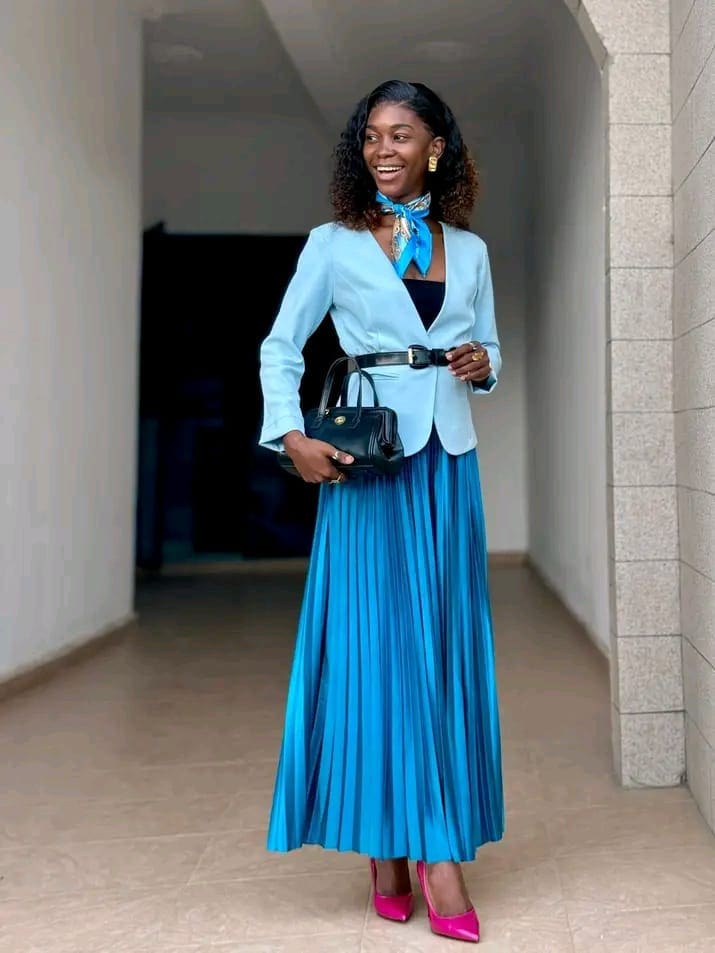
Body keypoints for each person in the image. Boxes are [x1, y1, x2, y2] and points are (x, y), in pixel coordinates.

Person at [258, 79, 504, 944]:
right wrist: (288, 434)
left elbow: (489, 346)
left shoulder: (467, 250)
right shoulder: (332, 244)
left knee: (439, 652)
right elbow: (281, 346)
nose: (382, 150)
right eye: (370, 136)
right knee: (379, 652)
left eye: (401, 135)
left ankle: (411, 844)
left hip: (446, 466)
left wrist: (481, 363)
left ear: (435, 147)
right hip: (367, 467)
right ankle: (416, 851)